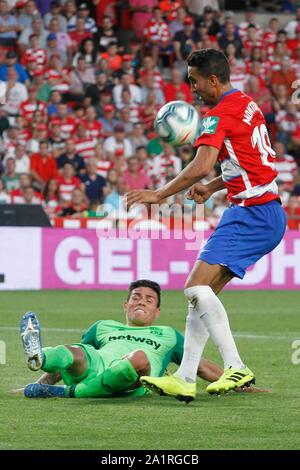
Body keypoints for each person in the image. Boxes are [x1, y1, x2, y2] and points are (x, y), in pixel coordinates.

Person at [126, 49, 286, 401]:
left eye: (195, 80)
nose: (193, 88)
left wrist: (160, 193)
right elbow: (250, 161)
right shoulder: (247, 103)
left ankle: (236, 366)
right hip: (263, 208)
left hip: (253, 212)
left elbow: (201, 164)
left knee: (194, 288)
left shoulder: (219, 114)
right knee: (201, 296)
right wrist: (213, 186)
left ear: (212, 79)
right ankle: (185, 377)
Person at [19, 279, 265, 399]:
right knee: (72, 350)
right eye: (136, 297)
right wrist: (38, 382)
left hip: (132, 379)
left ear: (156, 312)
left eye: (149, 300)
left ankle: (64, 392)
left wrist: (243, 386)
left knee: (138, 358)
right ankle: (40, 356)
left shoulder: (169, 335)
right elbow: (71, 361)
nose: (141, 301)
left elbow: (200, 366)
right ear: (126, 304)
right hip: (94, 368)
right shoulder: (102, 326)